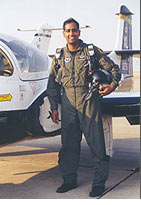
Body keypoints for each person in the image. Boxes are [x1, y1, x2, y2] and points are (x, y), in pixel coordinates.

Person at [47, 17, 121, 197]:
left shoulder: (91, 52)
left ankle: (98, 183)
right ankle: (69, 179)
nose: (71, 34)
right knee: (69, 145)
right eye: (68, 31)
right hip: (68, 103)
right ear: (64, 34)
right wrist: (54, 106)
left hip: (89, 100)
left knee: (96, 144)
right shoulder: (59, 56)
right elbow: (52, 83)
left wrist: (112, 85)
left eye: (74, 30)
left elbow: (113, 70)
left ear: (79, 32)